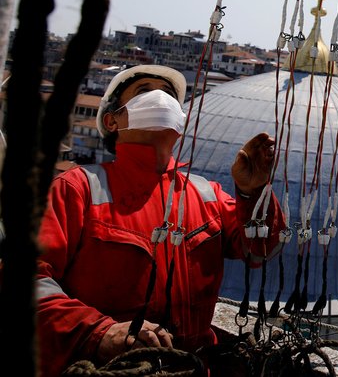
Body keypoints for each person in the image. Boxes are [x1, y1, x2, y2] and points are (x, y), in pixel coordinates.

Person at [35, 65, 285, 376]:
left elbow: (259, 250)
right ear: (112, 121)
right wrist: (98, 332)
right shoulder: (78, 189)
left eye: (168, 94)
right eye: (144, 91)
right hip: (111, 368)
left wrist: (255, 192)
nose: (160, 99)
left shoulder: (205, 194)